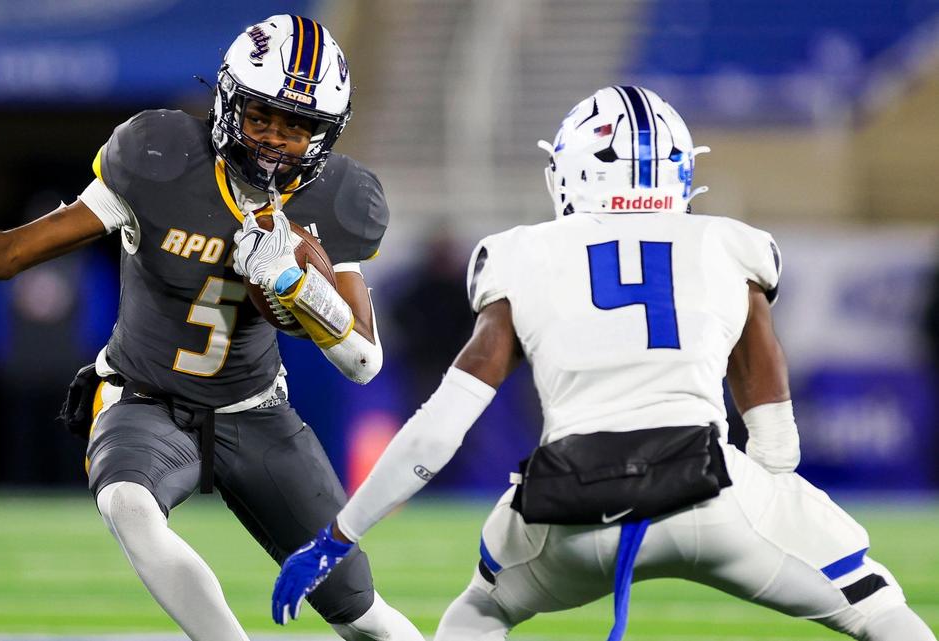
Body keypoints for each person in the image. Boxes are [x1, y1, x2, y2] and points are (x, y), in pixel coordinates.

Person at [273, 86, 937, 641]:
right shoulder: (729, 243)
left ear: (569, 172)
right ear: (681, 170)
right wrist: (772, 475)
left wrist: (340, 534)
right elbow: (762, 375)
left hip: (571, 505)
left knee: (480, 606)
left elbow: (442, 423)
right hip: (710, 487)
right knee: (876, 603)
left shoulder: (522, 251)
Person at [0, 14, 422, 641]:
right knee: (127, 504)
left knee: (365, 619)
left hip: (256, 411)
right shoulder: (158, 157)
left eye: (296, 127)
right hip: (148, 400)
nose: (273, 141)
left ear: (325, 135)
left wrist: (295, 285)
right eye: (261, 118)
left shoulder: (334, 198)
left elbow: (363, 360)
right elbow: (20, 250)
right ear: (229, 102)